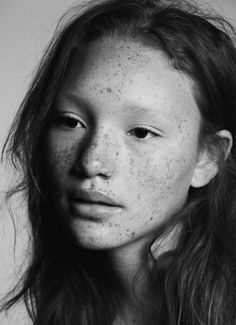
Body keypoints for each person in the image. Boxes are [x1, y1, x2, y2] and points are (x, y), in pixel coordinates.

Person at [1, 0, 236, 323]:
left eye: (141, 132)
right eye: (71, 122)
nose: (92, 161)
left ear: (207, 157)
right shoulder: (71, 303)